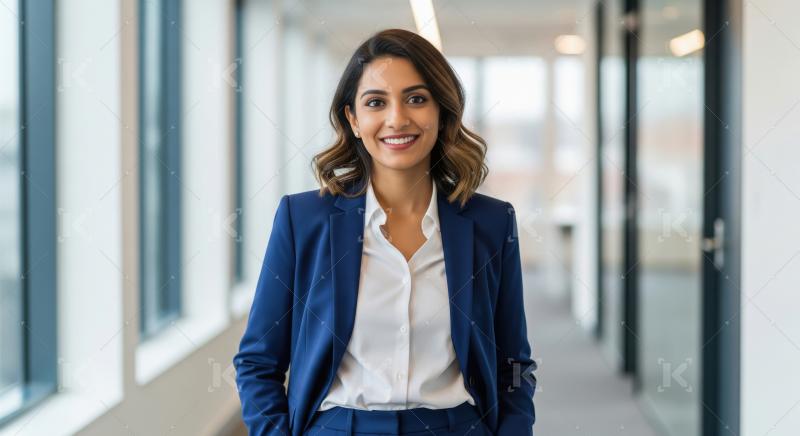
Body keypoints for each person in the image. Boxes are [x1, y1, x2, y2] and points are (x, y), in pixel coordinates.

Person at [233, 28, 536, 436]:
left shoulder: (491, 223)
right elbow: (258, 362)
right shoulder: (302, 219)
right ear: (353, 120)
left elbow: (513, 364)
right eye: (376, 102)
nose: (397, 119)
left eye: (416, 99)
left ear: (442, 111)